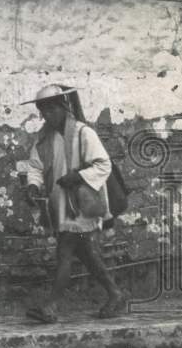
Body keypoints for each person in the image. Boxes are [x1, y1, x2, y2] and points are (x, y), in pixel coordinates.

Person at [21, 84, 127, 323]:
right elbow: (36, 167)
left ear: (63, 108)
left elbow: (103, 165)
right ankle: (115, 294)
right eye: (43, 110)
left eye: (51, 109)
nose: (47, 115)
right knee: (86, 254)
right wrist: (33, 186)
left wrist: (77, 176)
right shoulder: (44, 139)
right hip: (60, 206)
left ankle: (51, 307)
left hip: (81, 205)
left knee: (65, 251)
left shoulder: (83, 133)